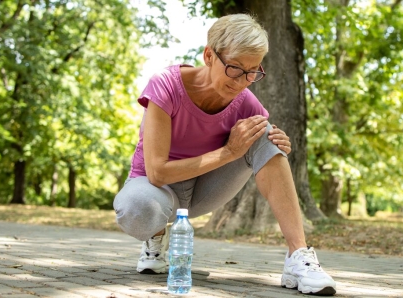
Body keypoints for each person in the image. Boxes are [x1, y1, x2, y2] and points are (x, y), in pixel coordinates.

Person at [113, 13, 337, 296]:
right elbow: (157, 172)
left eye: (253, 71)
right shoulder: (166, 85)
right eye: (234, 67)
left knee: (264, 133)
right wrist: (230, 151)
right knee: (135, 205)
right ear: (209, 56)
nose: (242, 80)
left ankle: (298, 257)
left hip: (204, 190)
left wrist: (276, 146)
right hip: (157, 191)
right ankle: (156, 238)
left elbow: (266, 151)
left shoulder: (246, 102)